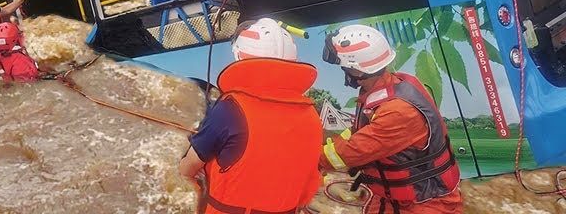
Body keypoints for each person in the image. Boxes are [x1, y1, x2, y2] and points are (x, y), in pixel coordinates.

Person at [178, 18, 324, 214]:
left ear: (240, 55)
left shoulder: (230, 109)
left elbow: (187, 169)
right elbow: (309, 184)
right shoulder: (311, 115)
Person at [319, 25, 463, 213]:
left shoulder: (398, 111)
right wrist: (325, 141)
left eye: (344, 67)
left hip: (426, 204)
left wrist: (311, 160)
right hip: (393, 199)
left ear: (357, 71)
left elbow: (354, 151)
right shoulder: (384, 89)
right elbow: (360, 133)